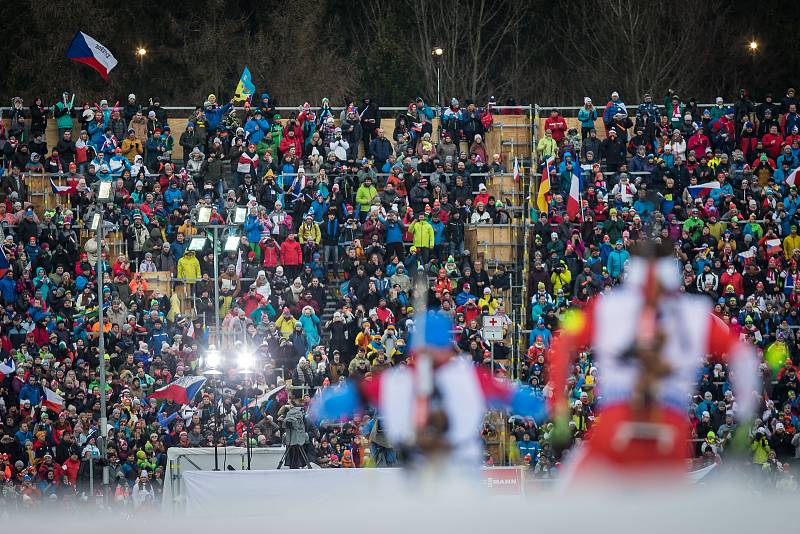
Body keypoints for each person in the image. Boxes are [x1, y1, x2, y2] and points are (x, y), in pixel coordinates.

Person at [549, 240, 758, 484]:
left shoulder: (606, 307)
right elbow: (743, 356)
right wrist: (744, 418)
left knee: (570, 493)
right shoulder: (698, 313)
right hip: (669, 426)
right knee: (664, 508)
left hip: (618, 420)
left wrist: (560, 410)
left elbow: (563, 343)